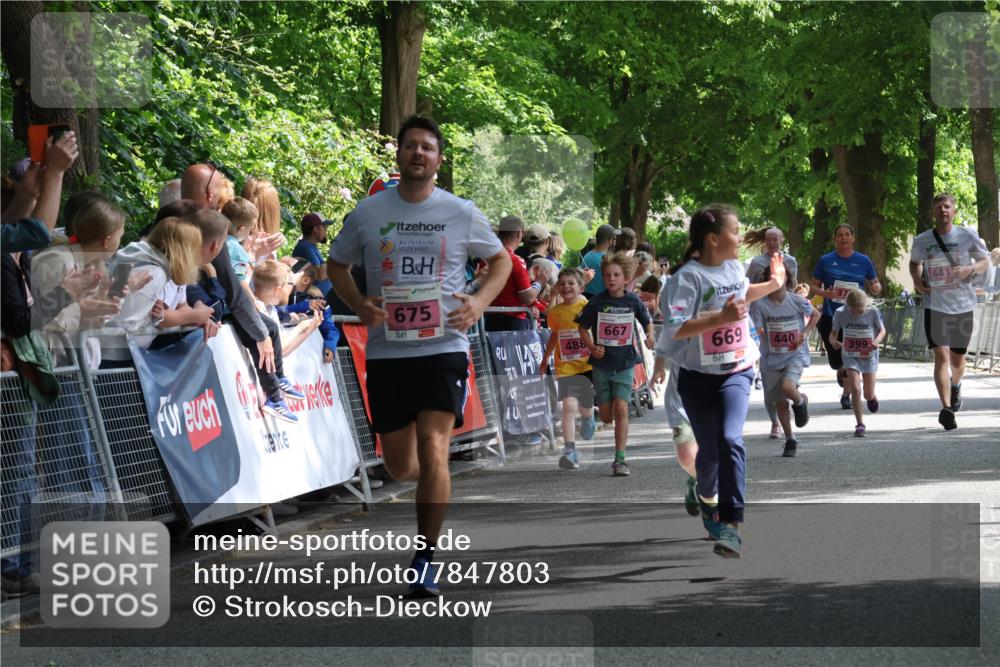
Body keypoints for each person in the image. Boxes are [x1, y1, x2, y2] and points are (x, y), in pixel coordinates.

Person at [327, 115, 512, 598]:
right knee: (400, 466)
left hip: (443, 347)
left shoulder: (460, 211)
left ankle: (424, 558)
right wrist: (360, 304)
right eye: (410, 146)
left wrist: (479, 301)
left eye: (427, 148)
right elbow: (336, 264)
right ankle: (421, 505)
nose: (418, 154)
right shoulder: (369, 213)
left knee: (436, 450)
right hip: (389, 352)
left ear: (438, 159)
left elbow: (502, 260)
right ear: (399, 155)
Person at [660, 204, 786, 557]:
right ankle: (705, 496)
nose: (740, 235)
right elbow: (676, 328)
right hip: (697, 378)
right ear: (713, 239)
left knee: (731, 439)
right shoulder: (687, 279)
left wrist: (774, 284)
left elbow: (741, 295)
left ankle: (732, 525)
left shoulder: (734, 266)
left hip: (737, 370)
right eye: (735, 230)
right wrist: (720, 318)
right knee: (709, 451)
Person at [908, 193, 991, 430]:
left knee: (957, 359)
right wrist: (916, 281)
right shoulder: (923, 240)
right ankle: (946, 408)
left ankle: (955, 386)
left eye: (947, 206)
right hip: (935, 305)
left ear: (953, 211)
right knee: (941, 356)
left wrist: (969, 268)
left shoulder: (966, 235)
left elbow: (985, 261)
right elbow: (914, 263)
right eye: (938, 207)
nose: (943, 210)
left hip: (963, 305)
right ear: (933, 212)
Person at [575, 252, 654, 477]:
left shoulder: (633, 300)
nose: (611, 279)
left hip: (625, 363)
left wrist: (650, 337)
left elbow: (647, 322)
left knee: (622, 408)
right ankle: (593, 414)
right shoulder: (597, 301)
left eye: (616, 275)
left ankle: (620, 460)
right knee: (608, 416)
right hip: (601, 365)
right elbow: (582, 327)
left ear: (625, 276)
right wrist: (591, 347)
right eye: (607, 275)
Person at [101, 218, 213, 366]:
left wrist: (157, 316)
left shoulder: (137, 254)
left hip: (108, 351)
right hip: (115, 356)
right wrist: (155, 320)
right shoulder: (155, 273)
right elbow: (126, 323)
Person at [749, 265, 820, 456]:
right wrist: (765, 339)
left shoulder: (796, 300)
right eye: (772, 277)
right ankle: (790, 439)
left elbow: (816, 315)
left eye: (780, 276)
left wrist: (803, 334)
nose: (777, 280)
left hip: (794, 354)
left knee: (787, 388)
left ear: (787, 279)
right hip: (771, 357)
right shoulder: (759, 304)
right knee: (779, 403)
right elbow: (757, 328)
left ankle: (799, 402)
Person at [811, 223, 882, 410]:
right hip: (830, 314)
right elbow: (814, 286)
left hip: (855, 317)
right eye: (840, 235)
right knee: (837, 361)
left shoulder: (863, 261)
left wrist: (876, 288)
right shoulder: (825, 261)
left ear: (853, 238)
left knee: (852, 353)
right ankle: (842, 370)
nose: (843, 238)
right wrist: (828, 294)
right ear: (835, 239)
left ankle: (846, 394)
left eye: (846, 235)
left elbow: (875, 283)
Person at [539, 268, 597, 469]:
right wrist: (545, 358)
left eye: (571, 283)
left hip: (587, 365)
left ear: (581, 287)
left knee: (584, 407)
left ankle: (589, 418)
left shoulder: (588, 306)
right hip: (565, 366)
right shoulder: (554, 313)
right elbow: (555, 335)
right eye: (562, 283)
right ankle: (570, 451)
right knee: (569, 408)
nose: (566, 287)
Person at [828, 289, 886, 438]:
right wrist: (833, 342)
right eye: (853, 311)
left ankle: (872, 397)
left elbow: (882, 330)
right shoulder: (840, 313)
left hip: (868, 354)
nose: (856, 314)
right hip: (850, 355)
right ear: (848, 306)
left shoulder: (873, 311)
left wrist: (877, 340)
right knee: (855, 388)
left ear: (865, 305)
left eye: (860, 311)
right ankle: (860, 424)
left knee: (867, 394)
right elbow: (832, 335)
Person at [252, 260, 322, 359]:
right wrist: (300, 327)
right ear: (278, 290)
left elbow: (281, 353)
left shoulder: (271, 309)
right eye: (290, 285)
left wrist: (307, 330)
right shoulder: (258, 312)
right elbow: (278, 349)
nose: (292, 289)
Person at [486, 215, 542, 331]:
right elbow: (527, 298)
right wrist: (539, 282)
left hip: (488, 320)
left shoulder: (486, 259)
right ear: (519, 234)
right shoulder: (516, 260)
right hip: (513, 322)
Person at [292, 212, 333, 296]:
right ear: (315, 229)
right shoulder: (305, 248)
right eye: (324, 228)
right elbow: (320, 275)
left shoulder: (310, 247)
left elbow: (323, 271)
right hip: (311, 301)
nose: (326, 231)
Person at [221, 197, 258, 284]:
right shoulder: (238, 251)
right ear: (241, 229)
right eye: (250, 229)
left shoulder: (214, 236)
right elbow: (240, 281)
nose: (250, 232)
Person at [581, 224, 621, 298]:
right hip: (601, 300)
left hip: (585, 298)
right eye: (614, 239)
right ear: (610, 240)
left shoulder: (587, 256)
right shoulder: (607, 259)